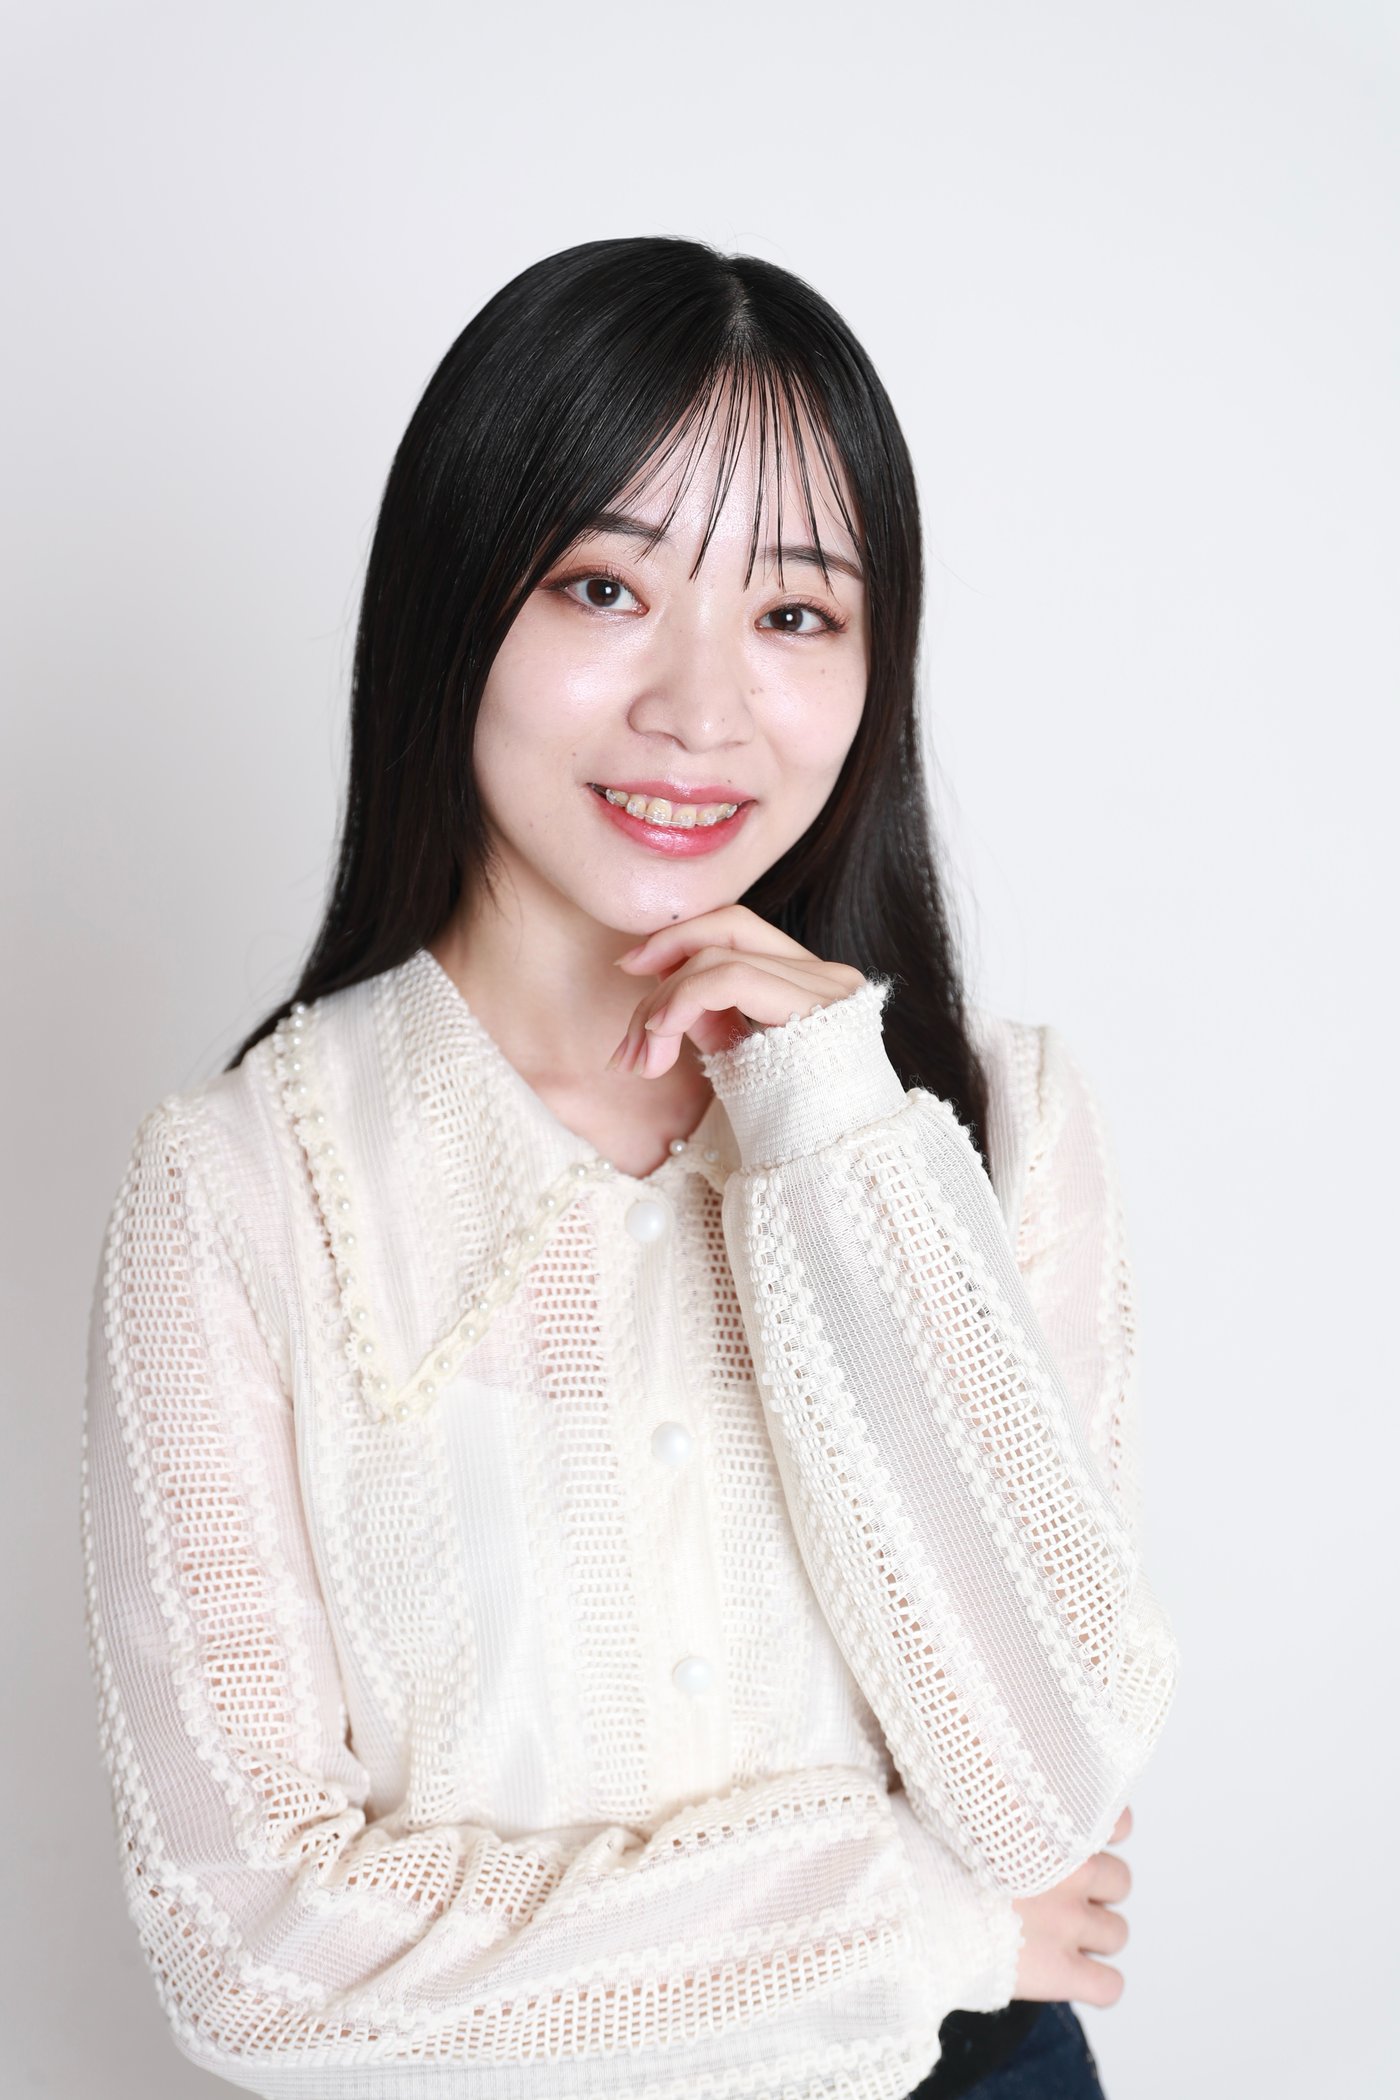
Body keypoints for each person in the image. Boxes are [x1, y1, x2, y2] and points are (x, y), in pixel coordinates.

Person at [80, 235, 1180, 2100]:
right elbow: (254, 1964)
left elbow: (1042, 1788)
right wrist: (916, 1930)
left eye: (796, 614)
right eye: (605, 586)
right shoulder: (243, 1186)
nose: (701, 707)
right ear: (455, 604)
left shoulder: (991, 1117)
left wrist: (833, 1129)